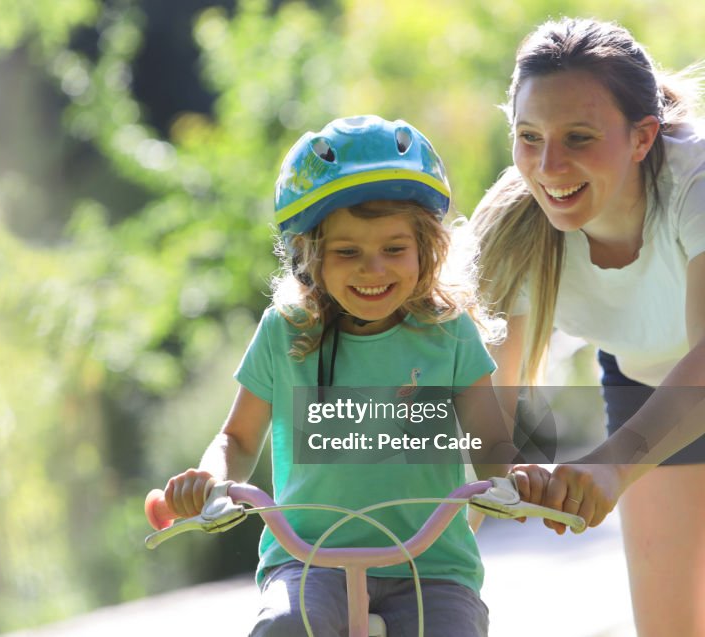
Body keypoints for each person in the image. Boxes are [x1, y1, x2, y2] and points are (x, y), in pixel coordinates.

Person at [163, 115, 527, 637]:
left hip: (431, 567)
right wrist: (212, 478)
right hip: (309, 560)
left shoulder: (450, 334)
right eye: (348, 252)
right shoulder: (284, 333)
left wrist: (515, 480)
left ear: (427, 249)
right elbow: (236, 438)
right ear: (310, 258)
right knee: (285, 626)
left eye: (394, 250)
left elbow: (492, 441)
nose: (372, 269)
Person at [470, 17, 705, 636]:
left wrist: (611, 466)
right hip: (647, 386)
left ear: (642, 137)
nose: (549, 166)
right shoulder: (516, 234)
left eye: (578, 137)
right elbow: (487, 412)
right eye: (528, 136)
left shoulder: (696, 182)